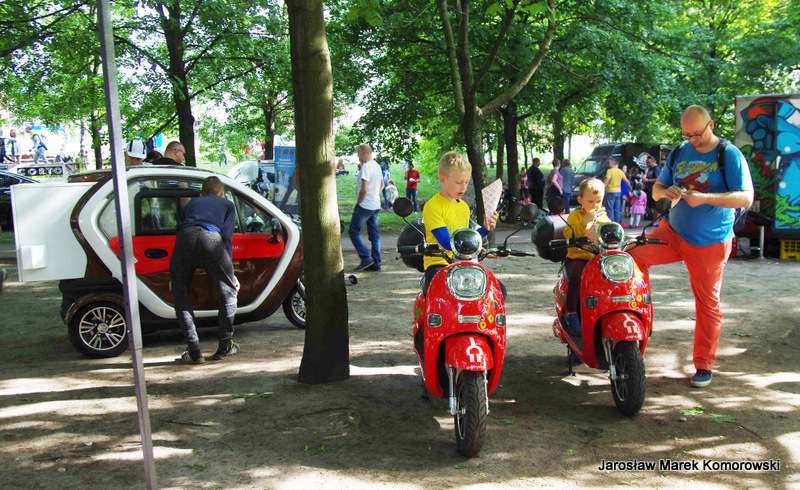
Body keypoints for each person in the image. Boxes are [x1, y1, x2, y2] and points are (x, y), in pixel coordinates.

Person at [629, 105, 754, 388]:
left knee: (707, 304)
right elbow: (657, 190)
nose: (692, 139)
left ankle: (703, 364)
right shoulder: (679, 151)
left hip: (710, 241)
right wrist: (667, 192)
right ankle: (639, 320)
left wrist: (706, 198)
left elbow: (746, 197)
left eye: (697, 134)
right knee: (630, 258)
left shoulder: (729, 154)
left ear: (711, 125)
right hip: (673, 233)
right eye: (687, 134)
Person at [169, 176, 239, 364]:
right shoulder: (227, 205)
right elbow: (227, 238)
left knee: (180, 293)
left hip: (185, 239)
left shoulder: (190, 205)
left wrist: (174, 275)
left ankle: (194, 351)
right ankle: (225, 346)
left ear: (201, 193)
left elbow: (180, 231)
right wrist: (230, 274)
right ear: (221, 193)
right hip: (211, 238)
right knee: (228, 293)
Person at [422, 151, 498, 294]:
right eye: (458, 182)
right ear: (442, 179)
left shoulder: (464, 207)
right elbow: (447, 243)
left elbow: (465, 238)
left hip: (462, 264)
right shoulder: (433, 206)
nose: (463, 187)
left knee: (497, 291)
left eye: (467, 182)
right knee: (442, 295)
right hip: (438, 264)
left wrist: (485, 229)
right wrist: (471, 244)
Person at [562, 178, 610, 335]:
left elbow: (611, 235)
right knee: (577, 276)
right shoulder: (575, 216)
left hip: (598, 258)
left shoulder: (603, 218)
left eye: (598, 201)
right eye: (590, 201)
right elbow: (568, 234)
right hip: (578, 257)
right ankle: (571, 313)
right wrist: (584, 222)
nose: (595, 206)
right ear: (580, 200)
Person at [349, 144, 384, 271]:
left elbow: (364, 189)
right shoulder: (377, 166)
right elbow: (382, 184)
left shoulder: (366, 167)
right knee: (374, 235)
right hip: (375, 205)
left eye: (358, 153)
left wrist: (359, 202)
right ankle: (376, 263)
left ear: (364, 152)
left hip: (365, 205)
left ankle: (365, 258)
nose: (358, 156)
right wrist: (375, 194)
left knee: (353, 231)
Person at [603, 157, 631, 223]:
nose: (607, 164)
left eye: (608, 163)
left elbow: (606, 181)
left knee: (610, 209)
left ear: (613, 163)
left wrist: (602, 187)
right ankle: (618, 223)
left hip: (610, 191)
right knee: (617, 209)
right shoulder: (620, 171)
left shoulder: (609, 171)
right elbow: (627, 181)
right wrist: (630, 188)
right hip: (618, 192)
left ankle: (612, 223)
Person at [642, 154, 661, 219]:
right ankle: (650, 216)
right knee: (650, 204)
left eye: (649, 163)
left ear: (653, 162)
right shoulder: (649, 168)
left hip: (654, 189)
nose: (648, 164)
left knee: (655, 205)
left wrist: (648, 180)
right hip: (649, 189)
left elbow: (658, 178)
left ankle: (656, 219)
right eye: (647, 163)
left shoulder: (656, 169)